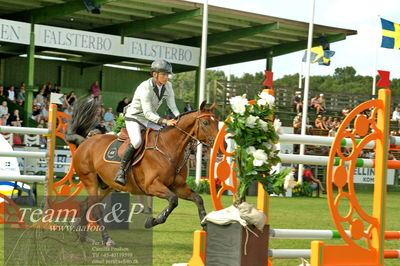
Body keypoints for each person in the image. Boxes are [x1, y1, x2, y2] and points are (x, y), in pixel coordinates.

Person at [114, 59, 180, 186]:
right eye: (164, 74)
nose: (167, 77)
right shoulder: (145, 87)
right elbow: (147, 113)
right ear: (155, 74)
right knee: (137, 141)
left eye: (168, 74)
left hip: (149, 119)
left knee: (164, 135)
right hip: (134, 118)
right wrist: (165, 121)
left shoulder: (168, 86)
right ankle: (121, 171)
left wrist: (179, 117)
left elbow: (172, 105)